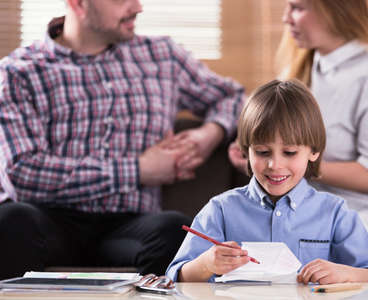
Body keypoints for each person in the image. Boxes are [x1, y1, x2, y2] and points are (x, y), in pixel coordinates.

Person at [0, 0, 244, 279]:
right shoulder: (18, 72)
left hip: (129, 226)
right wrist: (138, 170)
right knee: (11, 221)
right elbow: (21, 173)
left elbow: (234, 97)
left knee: (174, 229)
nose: (137, 7)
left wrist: (209, 133)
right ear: (78, 4)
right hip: (48, 221)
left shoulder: (162, 56)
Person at [230, 0, 368, 273]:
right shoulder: (300, 73)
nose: (286, 18)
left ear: (336, 9)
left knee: (332, 260)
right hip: (314, 214)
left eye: (297, 7)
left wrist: (291, 162)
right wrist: (253, 151)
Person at [166, 79, 368, 284]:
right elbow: (176, 278)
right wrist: (206, 264)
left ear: (314, 151)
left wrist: (346, 274)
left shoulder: (334, 212)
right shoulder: (220, 210)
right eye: (263, 152)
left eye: (290, 152)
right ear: (246, 151)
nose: (274, 164)